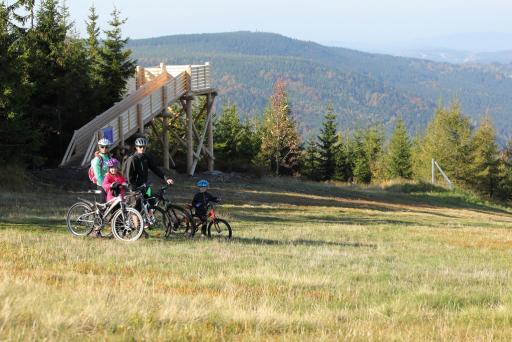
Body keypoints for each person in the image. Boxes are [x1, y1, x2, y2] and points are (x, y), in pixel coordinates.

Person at [91, 138, 112, 202]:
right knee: (104, 203)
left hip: (110, 183)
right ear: (99, 147)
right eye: (102, 147)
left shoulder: (109, 157)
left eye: (106, 147)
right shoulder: (97, 159)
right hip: (101, 184)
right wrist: (105, 185)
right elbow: (98, 176)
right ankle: (101, 211)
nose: (104, 149)